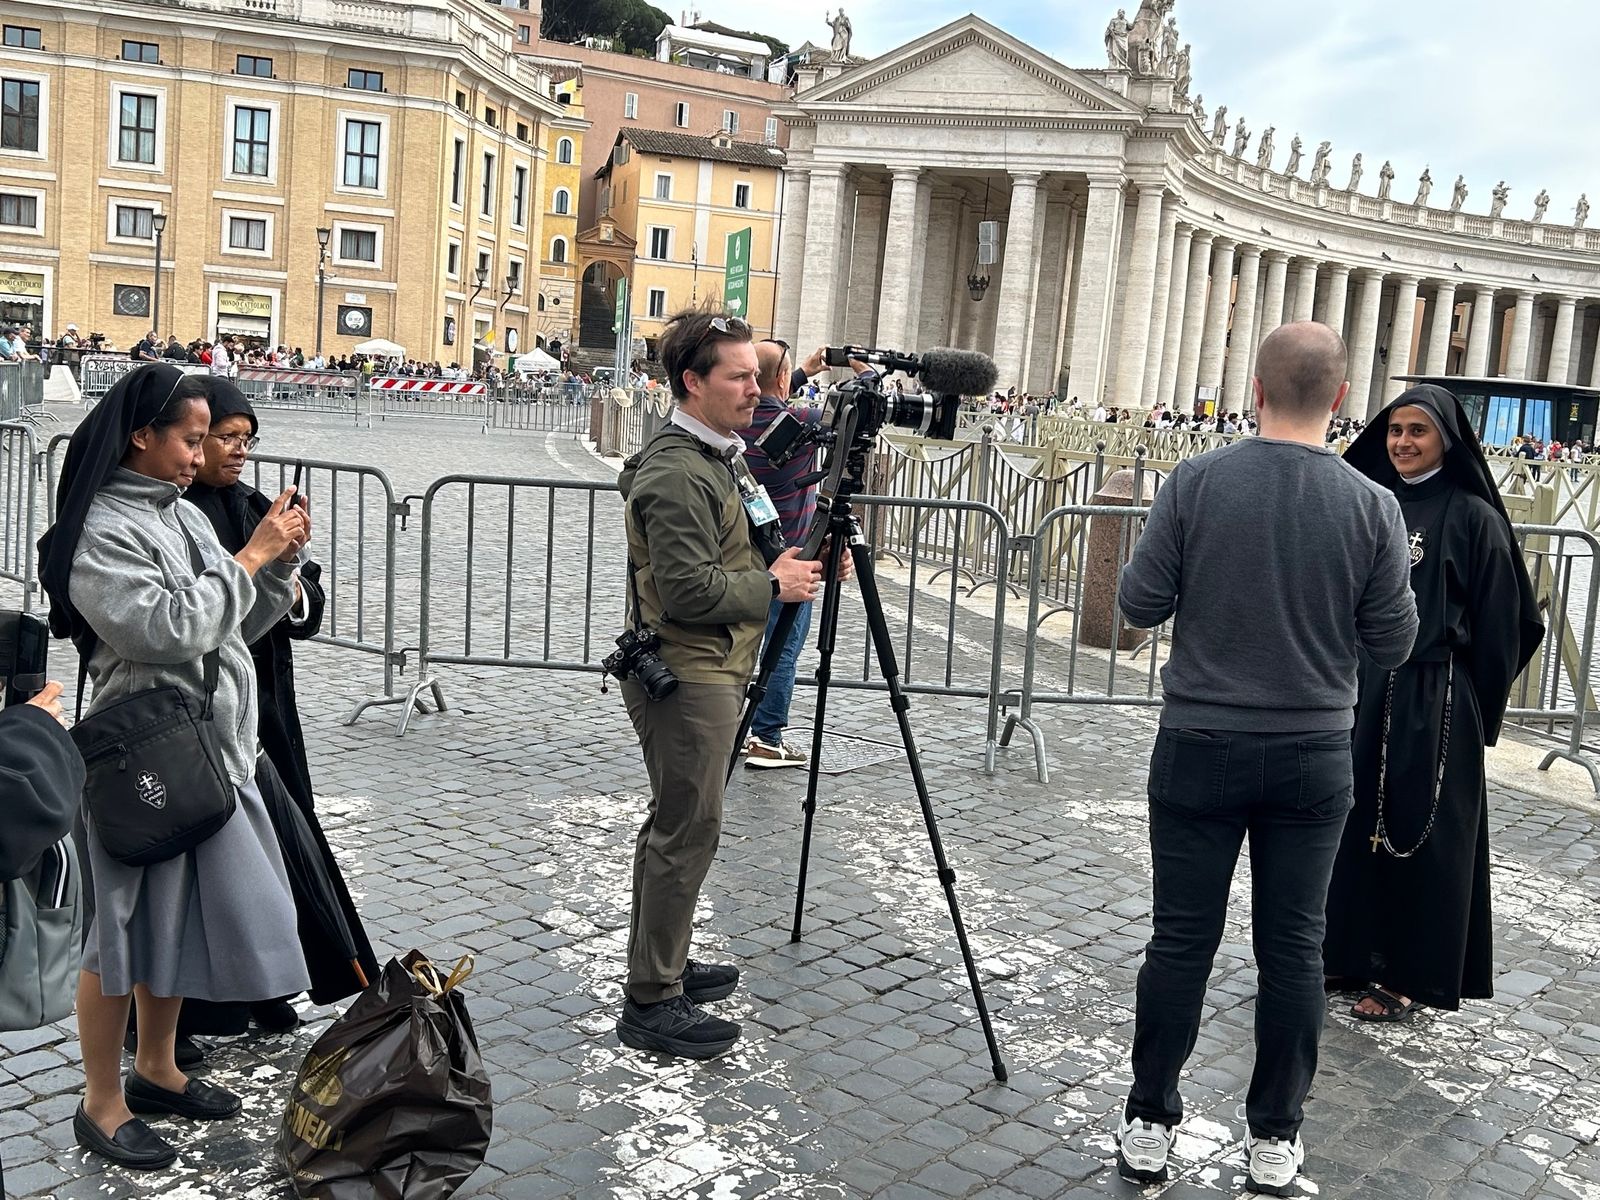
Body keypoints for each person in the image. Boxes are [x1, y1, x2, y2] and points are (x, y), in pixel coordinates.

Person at [1113, 322, 1418, 1196]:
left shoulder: (1197, 479)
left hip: (1199, 740)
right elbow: (1392, 644)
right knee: (1294, 949)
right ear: (1342, 399)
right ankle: (1274, 1138)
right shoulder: (1374, 506)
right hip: (1313, 750)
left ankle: (1149, 1121)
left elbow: (1138, 602)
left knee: (1180, 942)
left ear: (1253, 390)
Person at [36, 363, 311, 1171]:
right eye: (191, 440)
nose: (201, 455)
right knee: (116, 938)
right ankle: (101, 1100)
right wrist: (250, 556)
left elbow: (234, 622)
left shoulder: (180, 517)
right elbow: (165, 631)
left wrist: (282, 561)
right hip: (143, 756)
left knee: (177, 919)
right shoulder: (95, 532)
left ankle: (158, 1067)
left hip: (209, 749)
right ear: (140, 436)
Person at [613, 308, 821, 1059]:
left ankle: (661, 961)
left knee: (675, 824)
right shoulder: (676, 470)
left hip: (710, 666)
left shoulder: (713, 454)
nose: (758, 390)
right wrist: (772, 586)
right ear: (692, 382)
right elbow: (690, 590)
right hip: (691, 670)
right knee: (684, 830)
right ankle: (652, 999)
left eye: (759, 376)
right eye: (740, 377)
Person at [1325, 386, 1543, 1021]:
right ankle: (1345, 952)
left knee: (1421, 835)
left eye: (1417, 431)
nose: (1402, 443)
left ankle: (1406, 974)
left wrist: (1469, 698)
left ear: (1446, 439)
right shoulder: (1371, 501)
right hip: (1363, 688)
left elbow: (1510, 623)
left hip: (1436, 698)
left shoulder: (1474, 518)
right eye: (1394, 430)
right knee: (1350, 820)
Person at [171, 378, 378, 1038]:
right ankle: (202, 1002)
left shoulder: (255, 503)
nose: (237, 451)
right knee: (208, 851)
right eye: (224, 438)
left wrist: (290, 578)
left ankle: (271, 980)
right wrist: (257, 561)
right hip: (197, 701)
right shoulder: (172, 513)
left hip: (265, 700)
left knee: (281, 839)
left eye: (246, 438)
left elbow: (304, 594)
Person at [739, 341, 827, 768]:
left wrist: (804, 371)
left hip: (741, 557)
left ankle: (732, 728)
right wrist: (866, 371)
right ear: (779, 378)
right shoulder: (801, 420)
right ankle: (766, 738)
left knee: (740, 645)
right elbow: (854, 415)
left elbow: (770, 393)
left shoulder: (735, 420)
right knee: (783, 649)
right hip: (789, 557)